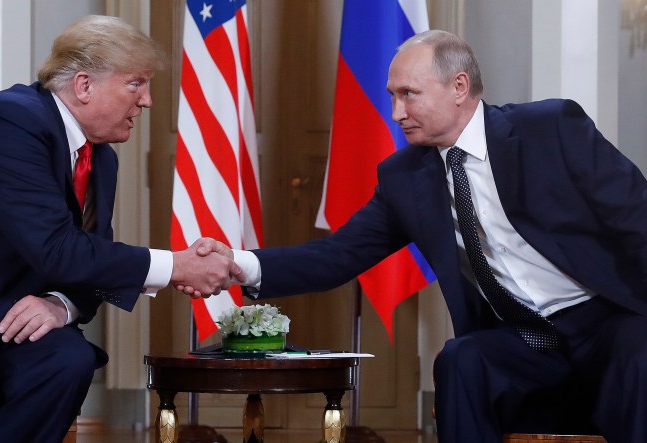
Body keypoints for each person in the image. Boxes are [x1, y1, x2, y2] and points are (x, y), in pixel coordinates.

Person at [187, 30, 647, 442]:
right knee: (461, 359)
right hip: (524, 339)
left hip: (605, 323)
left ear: (459, 87)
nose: (395, 113)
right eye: (391, 96)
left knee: (640, 346)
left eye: (409, 95)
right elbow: (338, 255)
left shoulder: (550, 129)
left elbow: (637, 220)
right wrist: (237, 264)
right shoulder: (404, 177)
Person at [0, 15, 240, 443]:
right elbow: (57, 248)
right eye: (136, 84)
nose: (147, 102)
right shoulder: (7, 121)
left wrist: (60, 305)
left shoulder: (100, 156)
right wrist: (176, 266)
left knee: (66, 357)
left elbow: (90, 255)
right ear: (84, 86)